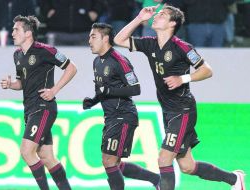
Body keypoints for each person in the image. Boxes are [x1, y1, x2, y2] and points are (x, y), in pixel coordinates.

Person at [114, 4, 245, 190]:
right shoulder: (149, 43)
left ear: (172, 23)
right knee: (187, 166)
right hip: (168, 110)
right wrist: (139, 19)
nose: (157, 16)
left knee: (164, 158)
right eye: (157, 14)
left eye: (162, 15)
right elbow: (119, 39)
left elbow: (207, 70)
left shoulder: (182, 47)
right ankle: (234, 179)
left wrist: (182, 78)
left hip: (183, 110)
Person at [0, 15, 77, 190]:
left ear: (28, 33)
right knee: (47, 157)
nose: (12, 33)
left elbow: (72, 68)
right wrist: (11, 84)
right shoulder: (17, 55)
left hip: (43, 108)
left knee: (27, 152)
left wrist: (54, 90)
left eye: (16, 29)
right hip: (30, 109)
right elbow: (22, 83)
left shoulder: (46, 50)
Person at [83, 22, 160, 190]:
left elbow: (135, 88)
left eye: (93, 36)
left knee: (108, 160)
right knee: (114, 163)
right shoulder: (97, 62)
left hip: (123, 115)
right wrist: (94, 100)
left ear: (105, 38)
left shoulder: (119, 60)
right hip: (111, 117)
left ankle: (155, 180)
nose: (89, 40)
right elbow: (103, 91)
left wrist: (108, 90)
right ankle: (156, 179)